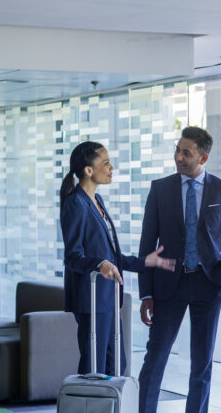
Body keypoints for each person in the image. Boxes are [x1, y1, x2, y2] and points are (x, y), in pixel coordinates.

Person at [136, 126, 221, 413]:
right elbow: (147, 243)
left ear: (203, 157)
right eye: (177, 150)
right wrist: (146, 294)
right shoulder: (160, 189)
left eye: (186, 152)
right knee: (155, 359)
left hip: (209, 285)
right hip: (168, 286)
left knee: (202, 363)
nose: (178, 157)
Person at [60, 140, 175, 376]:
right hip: (92, 301)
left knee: (116, 368)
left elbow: (110, 256)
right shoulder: (76, 204)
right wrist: (98, 264)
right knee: (94, 368)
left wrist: (145, 262)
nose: (111, 168)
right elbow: (73, 257)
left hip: (109, 299)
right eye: (106, 163)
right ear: (88, 170)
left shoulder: (97, 201)